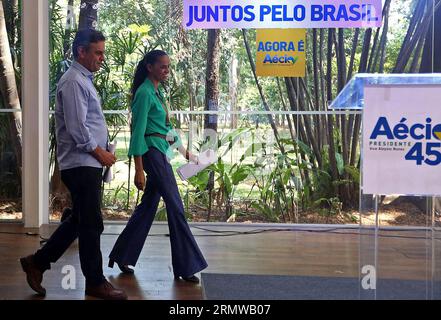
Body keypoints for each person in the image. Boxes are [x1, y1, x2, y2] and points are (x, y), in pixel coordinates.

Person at [19, 29, 127, 300]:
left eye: (102, 52)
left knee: (79, 220)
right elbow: (78, 128)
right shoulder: (73, 82)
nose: (102, 58)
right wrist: (100, 153)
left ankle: (37, 262)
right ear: (81, 51)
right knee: (91, 224)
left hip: (86, 162)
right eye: (97, 52)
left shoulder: (82, 80)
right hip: (82, 163)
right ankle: (95, 282)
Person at [108, 50, 208, 283]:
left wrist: (186, 153)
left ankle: (123, 255)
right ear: (149, 66)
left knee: (148, 206)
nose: (166, 70)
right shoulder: (144, 93)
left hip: (161, 150)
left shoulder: (158, 92)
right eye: (162, 66)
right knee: (176, 206)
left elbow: (167, 128)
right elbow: (138, 132)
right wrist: (139, 169)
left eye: (168, 67)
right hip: (152, 153)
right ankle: (186, 266)